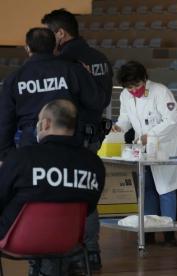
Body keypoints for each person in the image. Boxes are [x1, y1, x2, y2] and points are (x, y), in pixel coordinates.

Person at [0, 99, 105, 276]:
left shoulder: (21, 158)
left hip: (17, 239)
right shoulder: (94, 163)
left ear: (46, 123)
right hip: (68, 241)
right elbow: (89, 209)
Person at [112, 61, 177, 246]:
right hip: (143, 148)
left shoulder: (161, 92)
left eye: (136, 85)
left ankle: (169, 234)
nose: (133, 90)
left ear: (144, 79)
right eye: (129, 87)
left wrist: (150, 135)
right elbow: (125, 119)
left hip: (165, 146)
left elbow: (171, 121)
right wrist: (117, 128)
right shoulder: (125, 95)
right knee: (147, 188)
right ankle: (149, 232)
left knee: (166, 189)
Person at [0, 27, 103, 160]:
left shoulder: (14, 79)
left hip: (31, 143)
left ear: (27, 48)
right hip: (70, 139)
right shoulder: (74, 70)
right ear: (55, 46)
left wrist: (5, 155)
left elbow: (4, 121)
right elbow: (96, 102)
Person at [42, 8, 113, 149]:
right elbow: (104, 100)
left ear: (61, 33)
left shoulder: (62, 62)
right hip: (94, 137)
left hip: (66, 137)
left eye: (49, 34)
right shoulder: (100, 58)